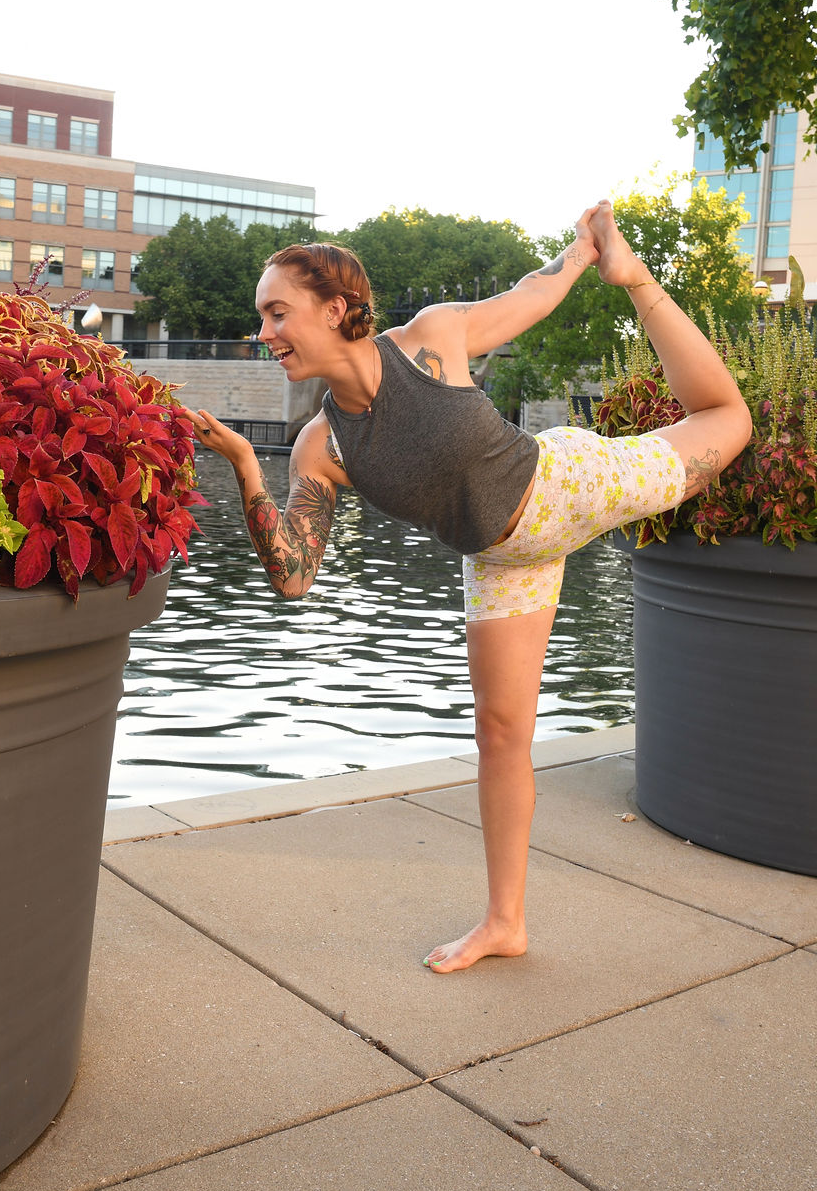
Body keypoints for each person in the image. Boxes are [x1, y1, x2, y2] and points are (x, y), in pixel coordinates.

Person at [185, 202, 752, 974]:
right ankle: (504, 923)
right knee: (500, 735)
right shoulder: (321, 447)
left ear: (336, 308)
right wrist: (247, 466)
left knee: (727, 419)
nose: (265, 334)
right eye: (262, 318)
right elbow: (296, 577)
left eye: (277, 313)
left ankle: (640, 279)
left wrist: (591, 257)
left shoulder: (431, 340)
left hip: (565, 486)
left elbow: (531, 293)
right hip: (498, 560)